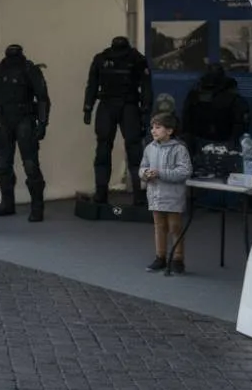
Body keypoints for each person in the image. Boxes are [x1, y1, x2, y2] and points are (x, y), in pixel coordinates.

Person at [0, 44, 51, 222]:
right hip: (4, 119)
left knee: (30, 164)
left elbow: (42, 98)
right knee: (3, 164)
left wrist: (42, 124)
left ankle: (37, 207)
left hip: (25, 119)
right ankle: (7, 203)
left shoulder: (30, 69)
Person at [83, 36, 153, 206]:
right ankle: (102, 193)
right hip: (112, 105)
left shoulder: (136, 59)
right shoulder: (102, 58)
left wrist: (145, 110)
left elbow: (146, 87)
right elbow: (92, 84)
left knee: (133, 150)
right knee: (105, 149)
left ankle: (139, 194)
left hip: (126, 105)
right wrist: (88, 107)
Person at [140, 112, 193, 273]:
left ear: (169, 131)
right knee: (159, 226)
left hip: (173, 196)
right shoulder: (149, 148)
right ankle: (160, 257)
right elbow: (143, 166)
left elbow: (185, 171)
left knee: (175, 227)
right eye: (152, 128)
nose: (153, 131)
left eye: (158, 127)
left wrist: (160, 173)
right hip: (155, 195)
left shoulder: (179, 149)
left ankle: (178, 259)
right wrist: (145, 173)